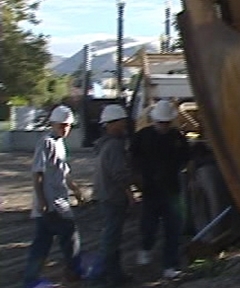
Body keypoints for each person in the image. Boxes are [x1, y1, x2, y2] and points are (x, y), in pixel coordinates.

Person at [21, 105, 86, 288]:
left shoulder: (60, 143)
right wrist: (41, 200)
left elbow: (64, 172)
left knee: (42, 242)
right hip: (52, 203)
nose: (65, 129)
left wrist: (76, 190)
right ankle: (74, 271)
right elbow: (37, 173)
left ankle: (31, 278)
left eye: (67, 125)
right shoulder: (46, 142)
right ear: (53, 124)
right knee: (70, 236)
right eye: (61, 125)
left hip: (59, 200)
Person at [129, 100, 190, 279]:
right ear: (154, 120)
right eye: (161, 122)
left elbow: (186, 159)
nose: (164, 126)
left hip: (172, 190)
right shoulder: (142, 137)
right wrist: (136, 181)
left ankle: (170, 265)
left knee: (173, 230)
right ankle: (146, 247)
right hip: (150, 191)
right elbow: (132, 159)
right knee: (149, 226)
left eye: (167, 123)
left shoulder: (177, 138)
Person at [93, 104, 135, 286]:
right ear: (111, 124)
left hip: (105, 196)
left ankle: (115, 275)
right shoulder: (114, 146)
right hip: (113, 197)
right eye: (122, 122)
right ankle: (98, 277)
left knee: (113, 238)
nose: (124, 126)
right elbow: (120, 174)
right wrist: (131, 194)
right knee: (110, 239)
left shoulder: (104, 145)